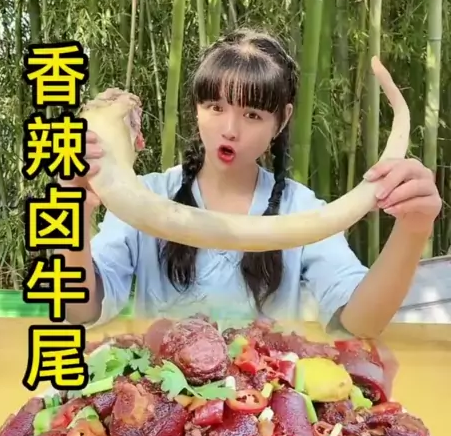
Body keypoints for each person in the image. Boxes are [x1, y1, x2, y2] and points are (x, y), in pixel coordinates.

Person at [62, 28, 441, 337]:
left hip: (268, 404)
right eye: (215, 107)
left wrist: (413, 228)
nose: (230, 129)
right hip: (159, 401)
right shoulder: (147, 195)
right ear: (196, 109)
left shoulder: (300, 209)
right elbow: (79, 311)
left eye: (253, 115)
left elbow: (357, 325)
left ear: (282, 119)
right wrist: (72, 208)